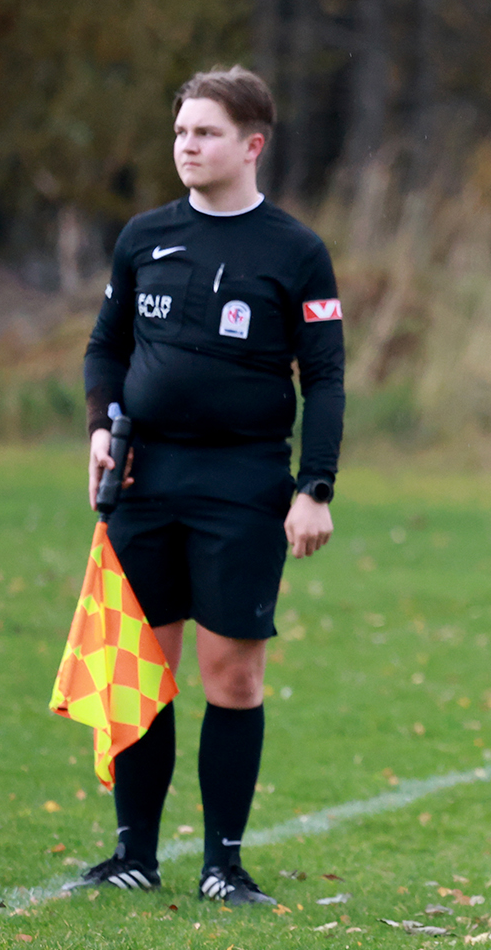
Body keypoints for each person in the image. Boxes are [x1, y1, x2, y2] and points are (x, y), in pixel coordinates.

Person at [77, 66, 344, 906]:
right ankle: (133, 855)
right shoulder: (143, 236)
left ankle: (224, 864)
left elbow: (326, 381)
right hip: (146, 478)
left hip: (242, 485)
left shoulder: (295, 252)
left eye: (206, 133)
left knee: (231, 676)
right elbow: (105, 347)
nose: (187, 146)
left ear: (251, 145)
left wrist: (316, 488)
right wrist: (98, 425)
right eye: (181, 132)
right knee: (140, 668)